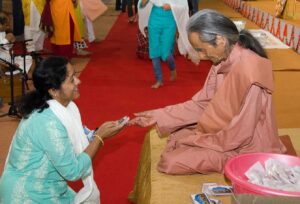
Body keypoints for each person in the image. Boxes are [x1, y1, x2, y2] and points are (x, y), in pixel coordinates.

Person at [129, 9, 286, 174]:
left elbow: (240, 134)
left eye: (201, 49)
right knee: (177, 138)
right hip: (224, 132)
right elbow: (202, 104)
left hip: (246, 145)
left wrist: (197, 140)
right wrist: (159, 115)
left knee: (170, 162)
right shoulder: (221, 60)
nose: (200, 56)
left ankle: (236, 163)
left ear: (220, 40)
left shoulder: (251, 70)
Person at [0, 56, 125, 203]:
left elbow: (72, 136)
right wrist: (99, 139)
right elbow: (73, 171)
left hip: (51, 185)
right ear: (53, 90)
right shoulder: (47, 122)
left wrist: (95, 134)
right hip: (29, 193)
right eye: (72, 79)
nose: (79, 81)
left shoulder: (62, 107)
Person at [138, 0, 198, 89]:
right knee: (154, 51)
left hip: (169, 21)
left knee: (165, 53)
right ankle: (159, 80)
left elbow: (184, 6)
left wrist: (171, 6)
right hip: (154, 20)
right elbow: (141, 5)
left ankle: (172, 68)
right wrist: (144, 1)